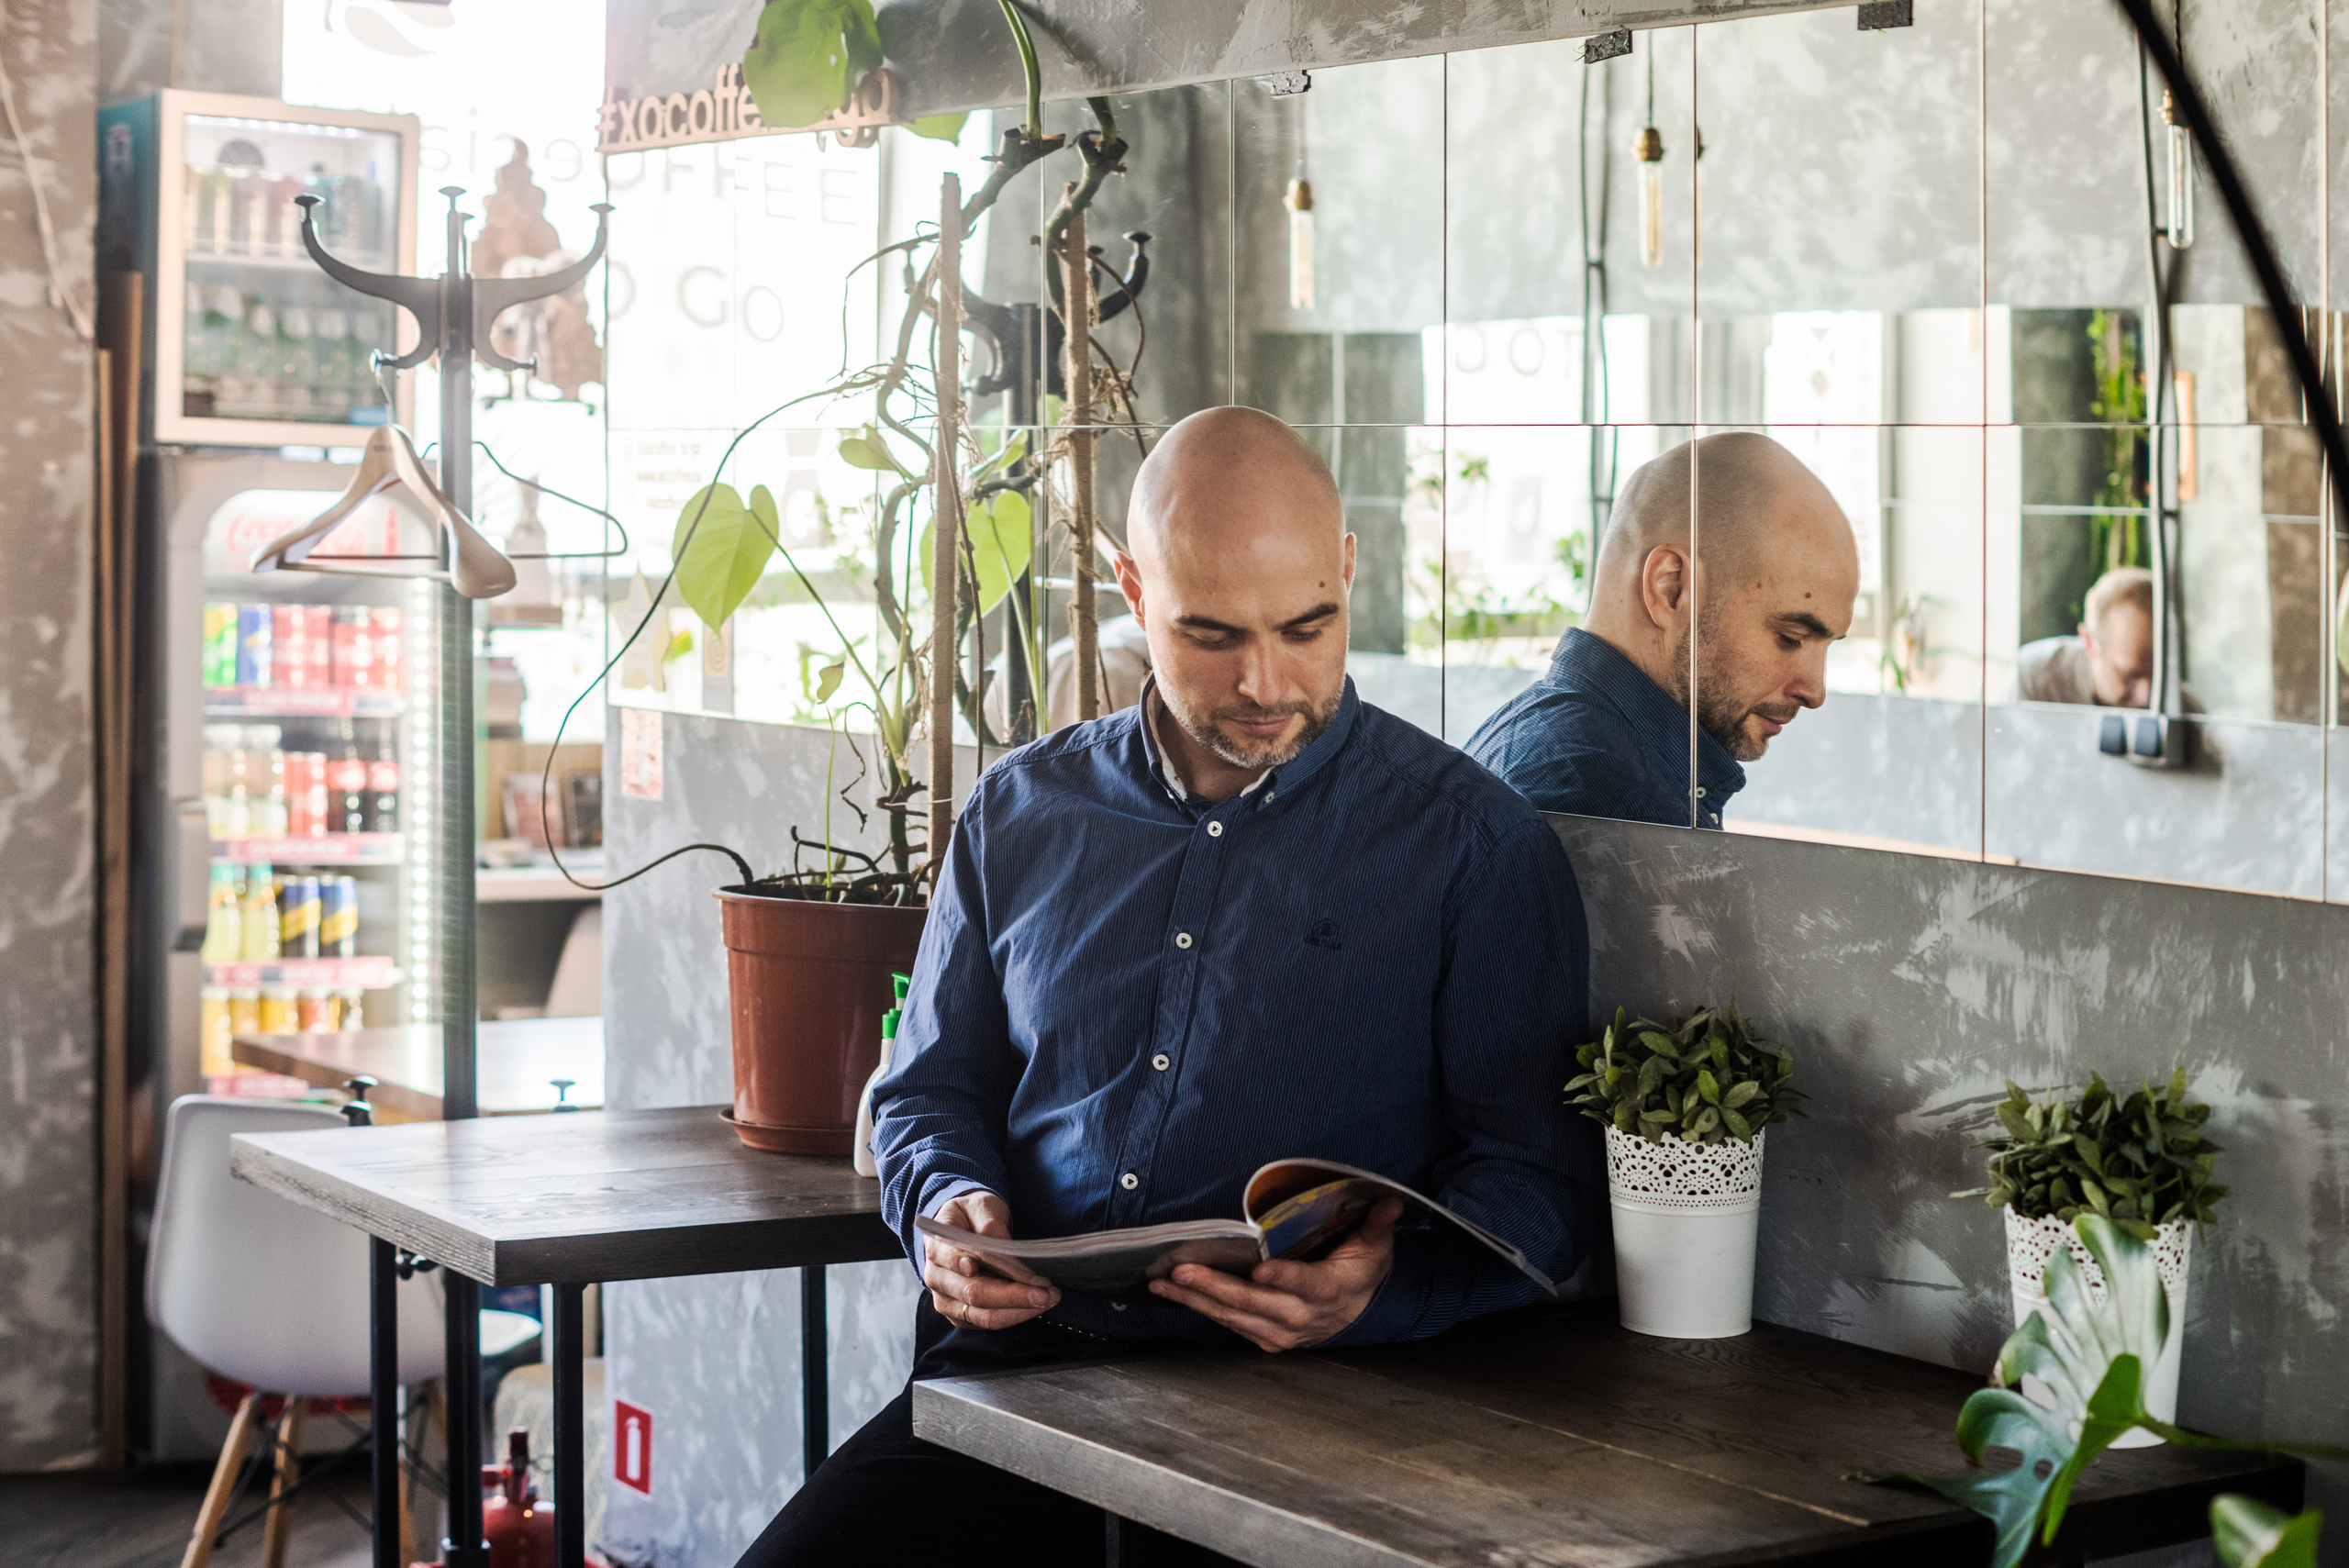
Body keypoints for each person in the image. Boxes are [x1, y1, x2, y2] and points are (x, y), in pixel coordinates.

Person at [740, 407, 1601, 1567]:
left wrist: (1379, 1290)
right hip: (1022, 1390)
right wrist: (941, 1207)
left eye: (1308, 626)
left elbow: (1542, 1187)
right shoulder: (1019, 810)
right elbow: (927, 1091)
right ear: (1130, 587)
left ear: (1347, 569)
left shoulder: (1472, 846)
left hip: (1301, 1411)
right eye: (1209, 634)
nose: (1266, 682)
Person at [1464, 432, 1859, 828]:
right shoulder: (1625, 807)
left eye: (1828, 647)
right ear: (1671, 588)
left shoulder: (1528, 732)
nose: (1814, 692)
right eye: (1789, 638)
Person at [2015, 567, 2154, 707]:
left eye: (2157, 675)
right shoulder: (2033, 680)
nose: (2146, 697)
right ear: (2089, 642)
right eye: (2130, 675)